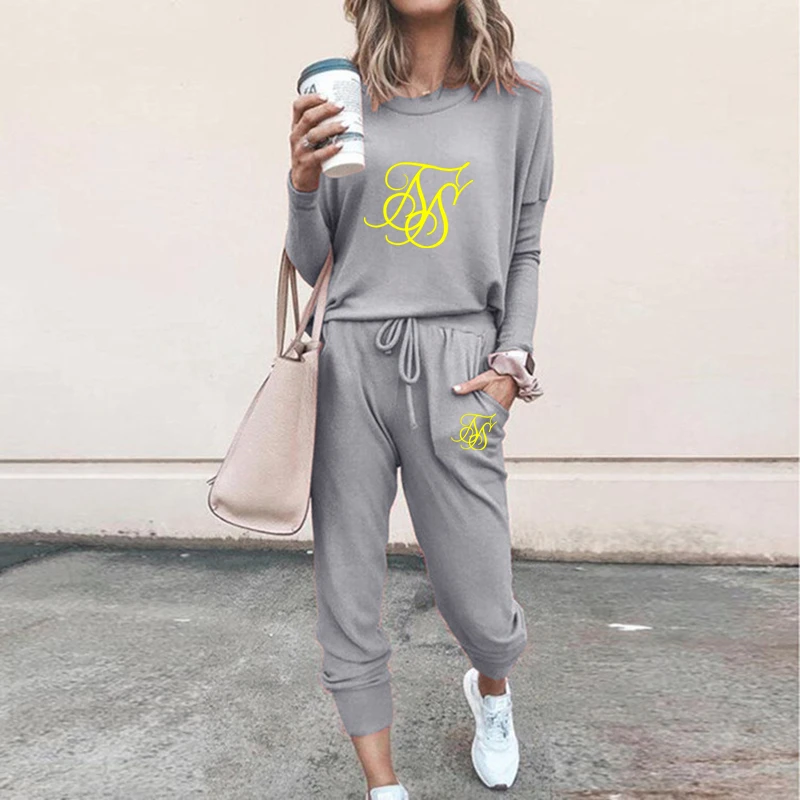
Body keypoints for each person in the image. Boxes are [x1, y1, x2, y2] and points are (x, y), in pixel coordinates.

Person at [284, 1, 553, 796]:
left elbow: (526, 244)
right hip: (348, 365)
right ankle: (383, 786)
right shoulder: (339, 91)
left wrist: (509, 366)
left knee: (481, 596)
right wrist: (301, 184)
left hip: (463, 375)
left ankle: (492, 688)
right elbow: (312, 262)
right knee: (347, 587)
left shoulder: (521, 97)